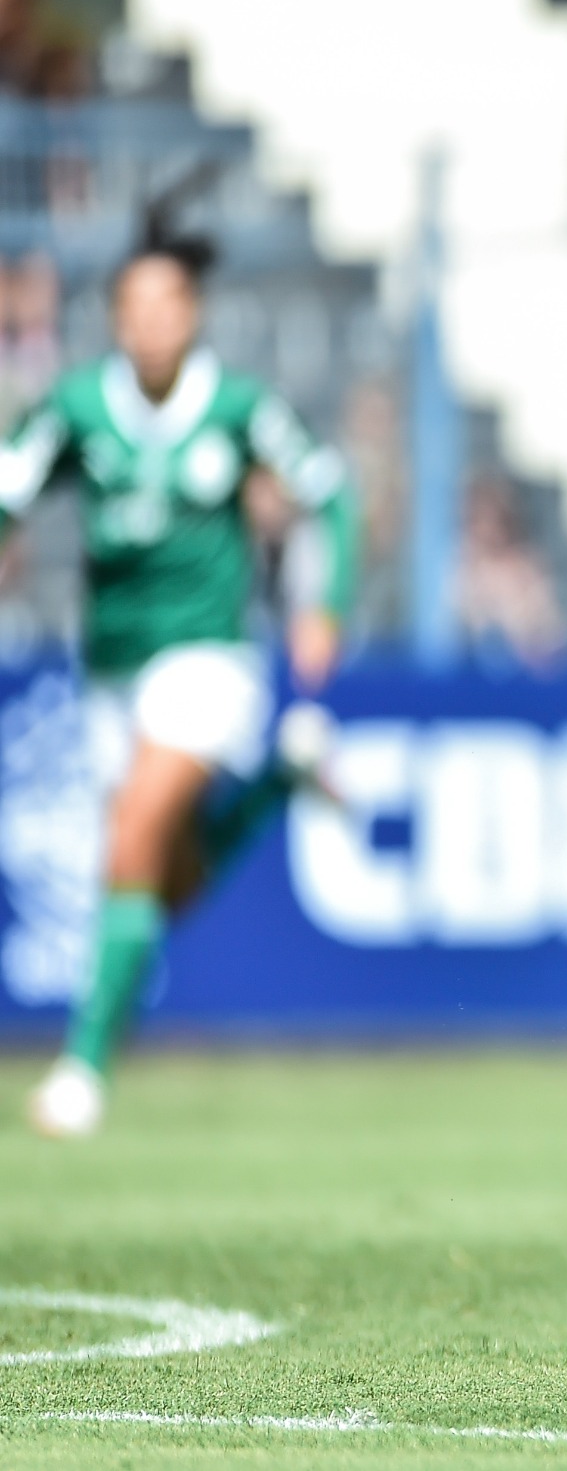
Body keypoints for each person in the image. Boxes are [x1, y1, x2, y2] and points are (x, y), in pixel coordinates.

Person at [11, 201, 358, 1139]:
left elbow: (333, 495)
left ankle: (82, 1070)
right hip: (111, 667)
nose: (152, 324)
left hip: (208, 659)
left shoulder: (240, 408)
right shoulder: (77, 407)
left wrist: (325, 605)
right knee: (168, 881)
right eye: (135, 308)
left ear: (193, 313)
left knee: (132, 834)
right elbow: (9, 490)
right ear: (116, 318)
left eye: (167, 306)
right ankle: (282, 778)